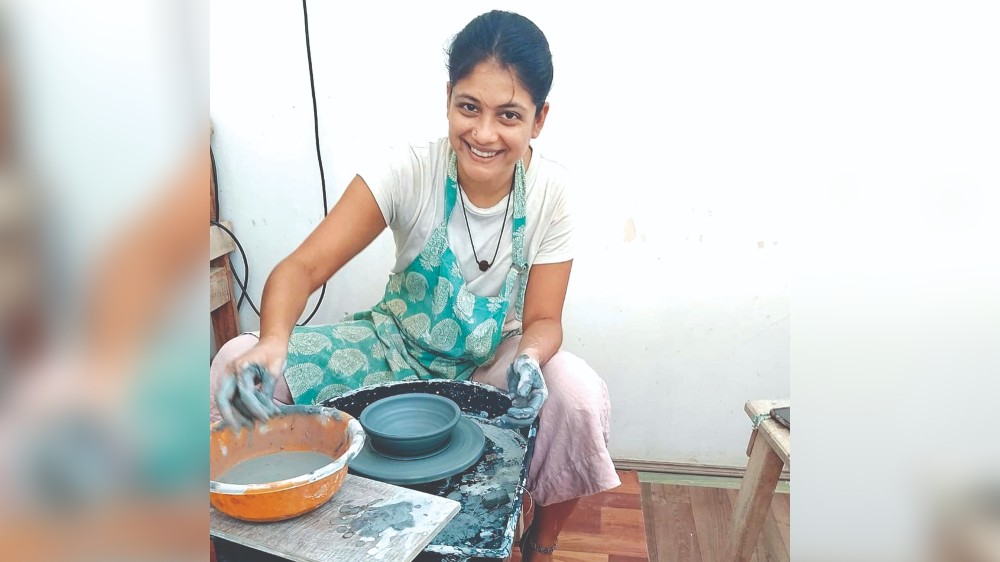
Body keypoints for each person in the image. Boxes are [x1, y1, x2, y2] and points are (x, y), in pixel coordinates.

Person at [209, 10, 620, 561]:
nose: (484, 133)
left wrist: (530, 358)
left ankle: (539, 544)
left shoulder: (552, 192)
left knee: (578, 395)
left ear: (539, 119)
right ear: (448, 96)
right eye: (469, 107)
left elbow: (545, 320)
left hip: (491, 359)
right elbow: (301, 269)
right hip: (391, 347)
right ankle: (257, 537)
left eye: (509, 115)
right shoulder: (408, 170)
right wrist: (274, 342)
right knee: (236, 356)